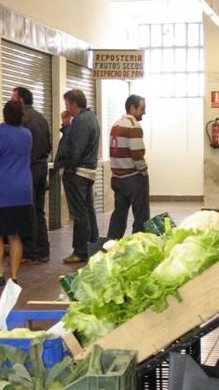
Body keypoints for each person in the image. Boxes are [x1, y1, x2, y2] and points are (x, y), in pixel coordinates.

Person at [0, 100, 33, 289]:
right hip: (24, 192)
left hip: (2, 193)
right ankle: (15, 277)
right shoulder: (27, 135)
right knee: (15, 236)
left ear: (5, 115)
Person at [55, 89, 100, 264]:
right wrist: (66, 125)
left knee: (79, 213)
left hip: (77, 173)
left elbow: (75, 149)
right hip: (87, 172)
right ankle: (93, 244)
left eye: (67, 104)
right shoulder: (90, 118)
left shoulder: (81, 121)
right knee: (88, 210)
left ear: (74, 104)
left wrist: (68, 167)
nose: (66, 108)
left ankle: (80, 251)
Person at [12, 87, 51, 264]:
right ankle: (43, 250)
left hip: (27, 169)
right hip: (41, 168)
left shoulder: (21, 120)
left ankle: (30, 252)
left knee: (28, 211)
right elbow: (49, 146)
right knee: (39, 211)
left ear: (20, 100)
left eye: (13, 98)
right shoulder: (42, 119)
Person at [106, 95, 150, 239]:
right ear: (132, 108)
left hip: (117, 178)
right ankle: (137, 245)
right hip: (133, 178)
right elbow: (136, 153)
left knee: (119, 215)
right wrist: (143, 170)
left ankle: (111, 245)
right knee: (141, 216)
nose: (144, 112)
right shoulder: (133, 126)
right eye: (142, 109)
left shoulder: (116, 124)